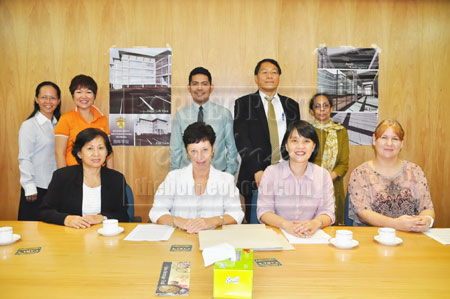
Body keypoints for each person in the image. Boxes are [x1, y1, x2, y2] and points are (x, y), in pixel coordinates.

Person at [234, 58, 300, 222]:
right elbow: (242, 140)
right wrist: (257, 170)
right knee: (256, 225)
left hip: (287, 173)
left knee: (286, 221)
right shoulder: (244, 103)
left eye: (274, 72)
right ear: (256, 78)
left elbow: (297, 140)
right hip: (255, 174)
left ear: (279, 77)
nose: (269, 76)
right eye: (264, 72)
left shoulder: (291, 105)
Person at [150, 122, 244, 233]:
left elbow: (236, 213)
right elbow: (157, 211)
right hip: (180, 238)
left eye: (205, 150)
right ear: (187, 152)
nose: (199, 157)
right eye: (193, 151)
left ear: (213, 149)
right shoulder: (174, 178)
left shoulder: (226, 180)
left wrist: (213, 221)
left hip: (214, 239)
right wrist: (179, 221)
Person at [348, 119, 435, 232]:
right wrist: (395, 224)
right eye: (384, 137)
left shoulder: (415, 171)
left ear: (402, 143)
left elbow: (427, 208)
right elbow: (362, 212)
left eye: (395, 139)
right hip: (372, 238)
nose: (389, 143)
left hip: (410, 237)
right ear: (374, 140)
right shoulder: (360, 174)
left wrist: (426, 220)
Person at [257, 120, 335, 237]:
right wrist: (286, 225)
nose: (300, 146)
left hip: (311, 236)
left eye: (306, 141)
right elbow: (264, 212)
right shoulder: (271, 172)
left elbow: (328, 213)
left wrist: (315, 223)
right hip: (279, 234)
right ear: (286, 146)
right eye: (294, 141)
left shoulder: (323, 175)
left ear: (313, 147)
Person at [40, 128, 128, 228]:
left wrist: (102, 217)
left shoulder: (116, 179)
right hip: (70, 235)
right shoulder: (62, 176)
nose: (96, 154)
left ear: (107, 152)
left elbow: (123, 215)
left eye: (101, 148)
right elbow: (44, 211)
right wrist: (66, 219)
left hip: (104, 235)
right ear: (79, 153)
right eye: (90, 148)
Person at [170, 67, 238, 174]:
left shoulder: (224, 114)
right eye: (195, 84)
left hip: (217, 175)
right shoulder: (180, 115)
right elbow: (175, 149)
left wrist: (228, 174)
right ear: (189, 87)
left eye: (204, 84)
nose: (200, 88)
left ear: (211, 87)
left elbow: (232, 149)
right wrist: (175, 175)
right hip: (187, 175)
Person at [18, 81, 62, 220]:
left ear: (58, 101)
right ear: (36, 99)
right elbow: (25, 157)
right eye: (44, 97)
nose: (48, 101)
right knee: (32, 234)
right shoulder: (29, 125)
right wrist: (29, 186)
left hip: (56, 188)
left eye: (53, 98)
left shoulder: (60, 124)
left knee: (53, 234)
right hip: (36, 189)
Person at [55, 74, 112, 169]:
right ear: (73, 96)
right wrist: (64, 178)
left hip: (98, 172)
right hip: (74, 172)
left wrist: (111, 176)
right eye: (79, 92)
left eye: (89, 92)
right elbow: (59, 153)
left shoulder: (102, 119)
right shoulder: (66, 119)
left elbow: (109, 151)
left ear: (94, 96)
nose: (84, 96)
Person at [310, 93, 349, 225]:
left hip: (334, 184)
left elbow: (344, 163)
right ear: (312, 110)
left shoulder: (341, 131)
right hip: (310, 184)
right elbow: (304, 160)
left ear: (331, 108)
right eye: (317, 106)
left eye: (325, 105)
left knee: (334, 225)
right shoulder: (307, 131)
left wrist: (328, 178)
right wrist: (318, 177)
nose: (322, 109)